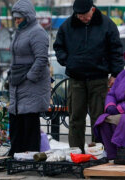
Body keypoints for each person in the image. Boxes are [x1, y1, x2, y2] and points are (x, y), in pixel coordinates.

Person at [53, 0, 125, 153]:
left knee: (98, 119)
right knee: (75, 119)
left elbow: (116, 50)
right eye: (79, 16)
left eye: (85, 15)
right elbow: (58, 47)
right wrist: (68, 61)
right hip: (76, 79)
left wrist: (116, 74)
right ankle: (75, 152)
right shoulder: (67, 26)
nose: (82, 18)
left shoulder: (107, 24)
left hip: (99, 79)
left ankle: (98, 154)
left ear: (92, 10)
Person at [8, 0, 51, 156]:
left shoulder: (37, 32)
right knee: (16, 119)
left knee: (29, 121)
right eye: (15, 18)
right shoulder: (19, 32)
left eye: (19, 17)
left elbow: (41, 58)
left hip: (32, 84)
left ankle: (31, 156)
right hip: (18, 82)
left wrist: (30, 77)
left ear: (28, 16)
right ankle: (17, 154)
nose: (17, 20)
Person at [94, 70, 125, 160]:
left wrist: (120, 109)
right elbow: (111, 94)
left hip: (122, 110)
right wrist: (110, 105)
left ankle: (121, 154)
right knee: (103, 120)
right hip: (118, 110)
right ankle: (112, 157)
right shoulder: (122, 74)